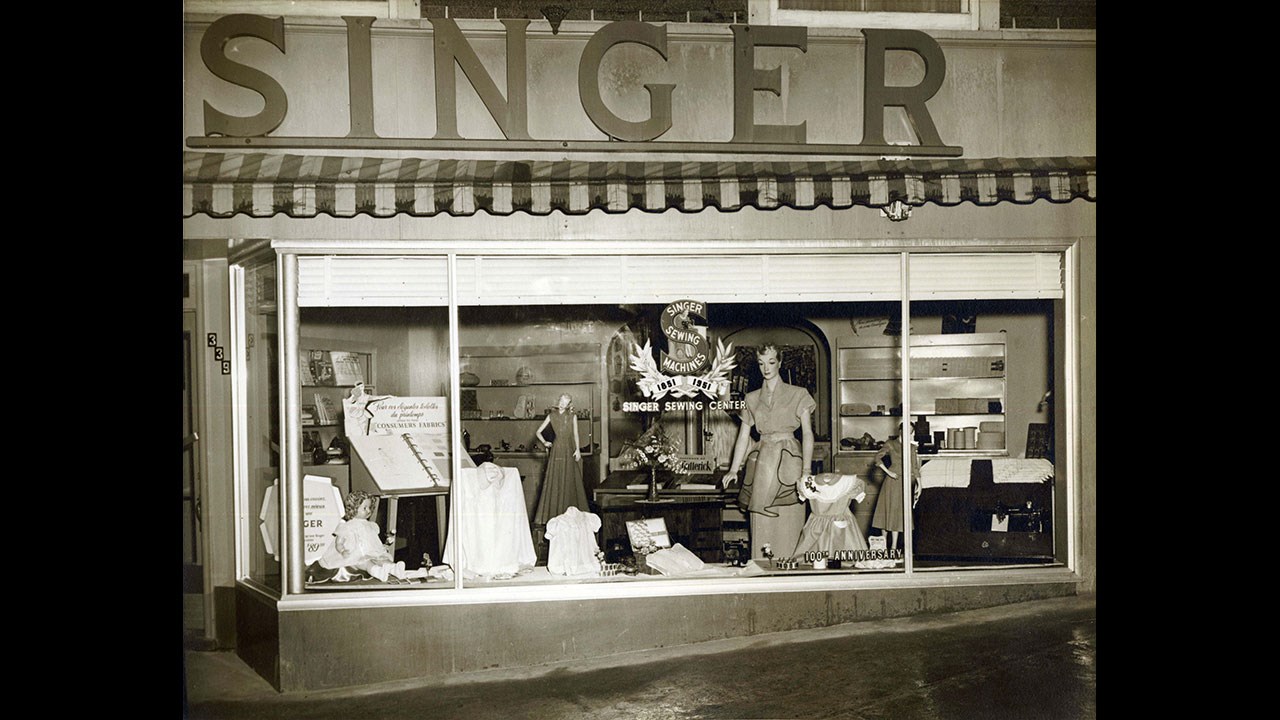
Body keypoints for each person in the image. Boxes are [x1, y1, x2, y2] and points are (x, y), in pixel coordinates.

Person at [720, 344, 815, 560]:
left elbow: (808, 434)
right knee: (761, 523)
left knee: (789, 520)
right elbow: (743, 436)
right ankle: (763, 572)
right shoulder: (751, 398)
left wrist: (806, 471)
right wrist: (734, 469)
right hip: (761, 462)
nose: (766, 368)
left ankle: (791, 575)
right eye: (762, 363)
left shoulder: (798, 394)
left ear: (780, 363)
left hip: (790, 460)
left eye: (771, 362)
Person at [309, 490, 407, 583]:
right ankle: (377, 572)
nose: (368, 510)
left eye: (370, 507)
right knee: (366, 563)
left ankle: (394, 568)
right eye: (364, 508)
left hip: (371, 551)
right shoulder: (347, 526)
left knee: (381, 559)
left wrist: (382, 547)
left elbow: (373, 539)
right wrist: (342, 550)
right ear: (354, 509)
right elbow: (339, 541)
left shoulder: (371, 525)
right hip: (355, 553)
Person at [533, 393, 588, 529]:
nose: (563, 403)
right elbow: (538, 432)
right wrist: (545, 442)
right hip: (557, 449)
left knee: (570, 479)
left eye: (566, 402)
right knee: (555, 478)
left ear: (569, 404)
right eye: (562, 401)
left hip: (569, 449)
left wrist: (578, 450)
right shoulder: (551, 416)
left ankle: (570, 516)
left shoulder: (572, 416)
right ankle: (553, 515)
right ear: (559, 401)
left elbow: (576, 434)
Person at [794, 472, 869, 557]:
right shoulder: (807, 482)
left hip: (834, 525)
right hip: (818, 525)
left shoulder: (849, 482)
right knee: (811, 555)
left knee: (846, 553)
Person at [871, 431, 922, 551]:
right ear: (900, 430)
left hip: (904, 482)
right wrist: (889, 472)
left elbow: (914, 467)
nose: (908, 432)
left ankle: (893, 548)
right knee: (886, 511)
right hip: (891, 481)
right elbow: (877, 458)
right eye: (906, 429)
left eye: (910, 431)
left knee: (897, 514)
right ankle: (883, 547)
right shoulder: (891, 444)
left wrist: (920, 484)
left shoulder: (911, 447)